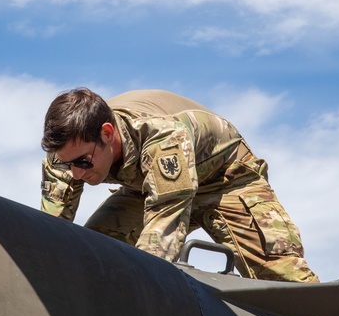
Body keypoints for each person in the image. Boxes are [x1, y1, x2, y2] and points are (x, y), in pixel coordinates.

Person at [40, 88, 318, 283]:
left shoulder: (162, 139)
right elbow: (52, 231)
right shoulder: (67, 151)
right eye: (67, 165)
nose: (75, 174)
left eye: (84, 163)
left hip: (224, 180)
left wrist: (145, 287)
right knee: (97, 253)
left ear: (107, 133)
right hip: (149, 187)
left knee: (283, 277)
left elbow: (165, 225)